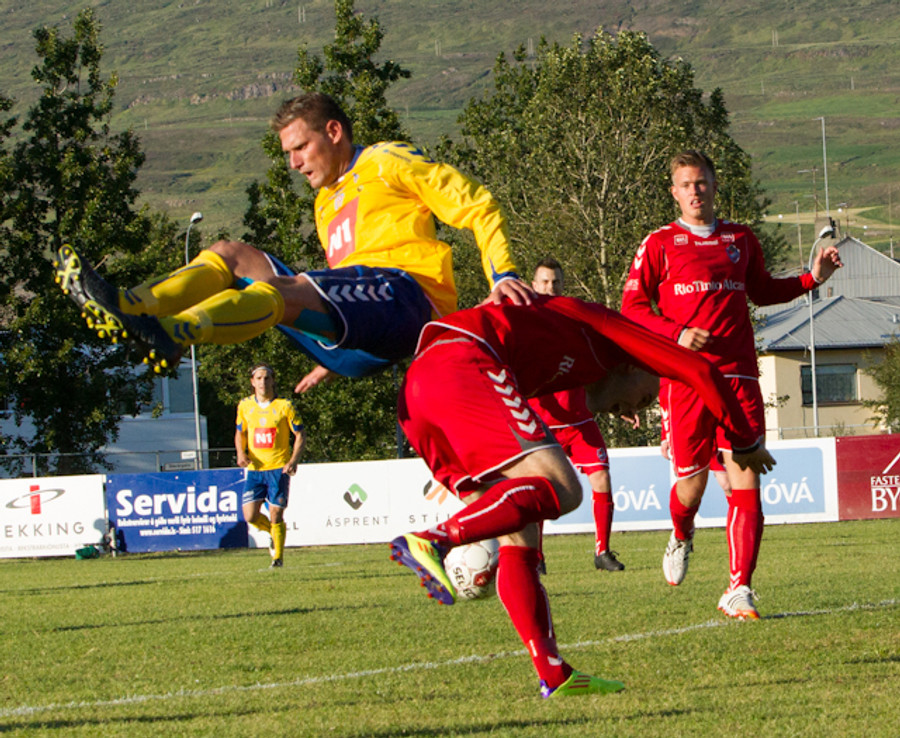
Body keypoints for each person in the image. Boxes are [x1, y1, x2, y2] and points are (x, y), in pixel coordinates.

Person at [389, 294, 775, 698]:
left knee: (520, 535)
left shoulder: (574, 354)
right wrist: (744, 441)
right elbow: (701, 369)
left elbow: (530, 320)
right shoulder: (618, 334)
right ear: (636, 365)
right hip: (463, 361)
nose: (639, 407)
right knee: (564, 488)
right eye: (646, 396)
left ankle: (554, 675)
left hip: (420, 393)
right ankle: (435, 539)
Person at [54, 92, 531, 384]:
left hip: (409, 299)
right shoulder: (325, 203)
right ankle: (132, 306)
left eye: (301, 147)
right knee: (230, 254)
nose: (294, 163)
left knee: (286, 289)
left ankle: (175, 333)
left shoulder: (387, 160)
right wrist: (334, 347)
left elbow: (478, 204)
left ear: (334, 132)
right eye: (288, 153)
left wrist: (502, 274)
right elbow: (345, 286)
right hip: (358, 325)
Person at [621, 149, 843, 620]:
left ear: (714, 185)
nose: (695, 191)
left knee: (746, 478)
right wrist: (676, 334)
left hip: (738, 375)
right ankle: (681, 533)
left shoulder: (740, 238)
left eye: (701, 182)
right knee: (692, 487)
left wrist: (811, 279)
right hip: (685, 378)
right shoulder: (659, 243)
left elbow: (762, 291)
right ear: (674, 192)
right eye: (686, 185)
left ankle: (738, 588)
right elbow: (632, 309)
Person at [528, 258, 623, 572]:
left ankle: (602, 552)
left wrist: (617, 403)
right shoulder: (524, 322)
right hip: (541, 424)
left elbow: (595, 365)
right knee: (539, 489)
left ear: (563, 285)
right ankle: (536, 557)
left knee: (602, 477)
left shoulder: (576, 318)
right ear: (533, 285)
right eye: (544, 282)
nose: (550, 287)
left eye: (556, 282)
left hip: (578, 420)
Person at [235, 363, 305, 567]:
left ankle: (277, 559)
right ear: (252, 382)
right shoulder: (245, 405)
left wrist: (293, 460)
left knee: (276, 513)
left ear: (273, 381)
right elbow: (240, 432)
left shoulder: (285, 406)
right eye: (258, 378)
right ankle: (272, 533)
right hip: (255, 469)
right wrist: (240, 452)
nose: (263, 382)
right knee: (250, 516)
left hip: (278, 468)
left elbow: (300, 434)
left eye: (267, 378)